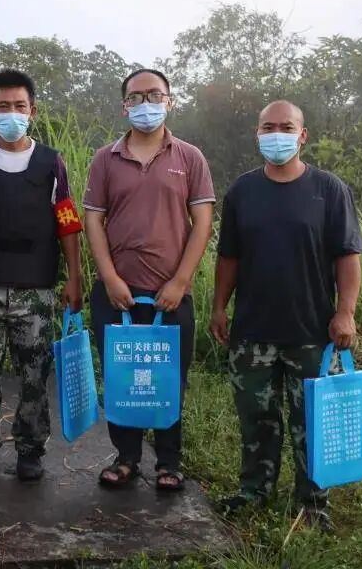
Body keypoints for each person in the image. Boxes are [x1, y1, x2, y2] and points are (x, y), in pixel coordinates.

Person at [210, 100, 362, 532]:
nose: (276, 134)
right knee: (256, 418)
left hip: (312, 331)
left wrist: (346, 313)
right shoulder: (242, 191)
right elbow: (229, 257)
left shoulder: (329, 189)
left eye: (286, 127)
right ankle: (254, 490)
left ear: (303, 135)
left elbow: (348, 256)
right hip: (252, 331)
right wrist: (219, 307)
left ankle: (312, 503)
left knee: (310, 421)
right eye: (268, 127)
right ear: (257, 134)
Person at [83, 68, 214, 492]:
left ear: (169, 101)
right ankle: (126, 458)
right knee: (121, 376)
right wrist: (109, 278)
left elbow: (202, 223)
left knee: (168, 378)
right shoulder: (105, 159)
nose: (146, 104)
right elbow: (94, 220)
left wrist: (180, 282)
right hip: (117, 293)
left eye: (154, 95)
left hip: (170, 295)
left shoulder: (189, 157)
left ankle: (169, 462)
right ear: (125, 105)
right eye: (136, 97)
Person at [0, 69, 84, 482]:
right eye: (3, 106)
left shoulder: (51, 163)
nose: (11, 113)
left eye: (19, 106)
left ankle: (30, 450)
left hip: (37, 290)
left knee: (35, 375)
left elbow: (67, 222)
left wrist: (75, 277)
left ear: (33, 111)